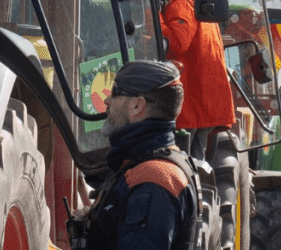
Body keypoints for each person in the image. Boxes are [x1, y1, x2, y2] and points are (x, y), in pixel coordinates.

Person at [78, 60, 198, 250]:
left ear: (137, 106)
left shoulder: (153, 179)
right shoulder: (146, 165)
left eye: (115, 92)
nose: (107, 101)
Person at [161, 0, 235, 159]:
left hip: (189, 105)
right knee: (198, 164)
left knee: (180, 162)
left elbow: (176, 43)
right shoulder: (204, 8)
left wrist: (154, 19)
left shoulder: (182, 5)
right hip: (205, 105)